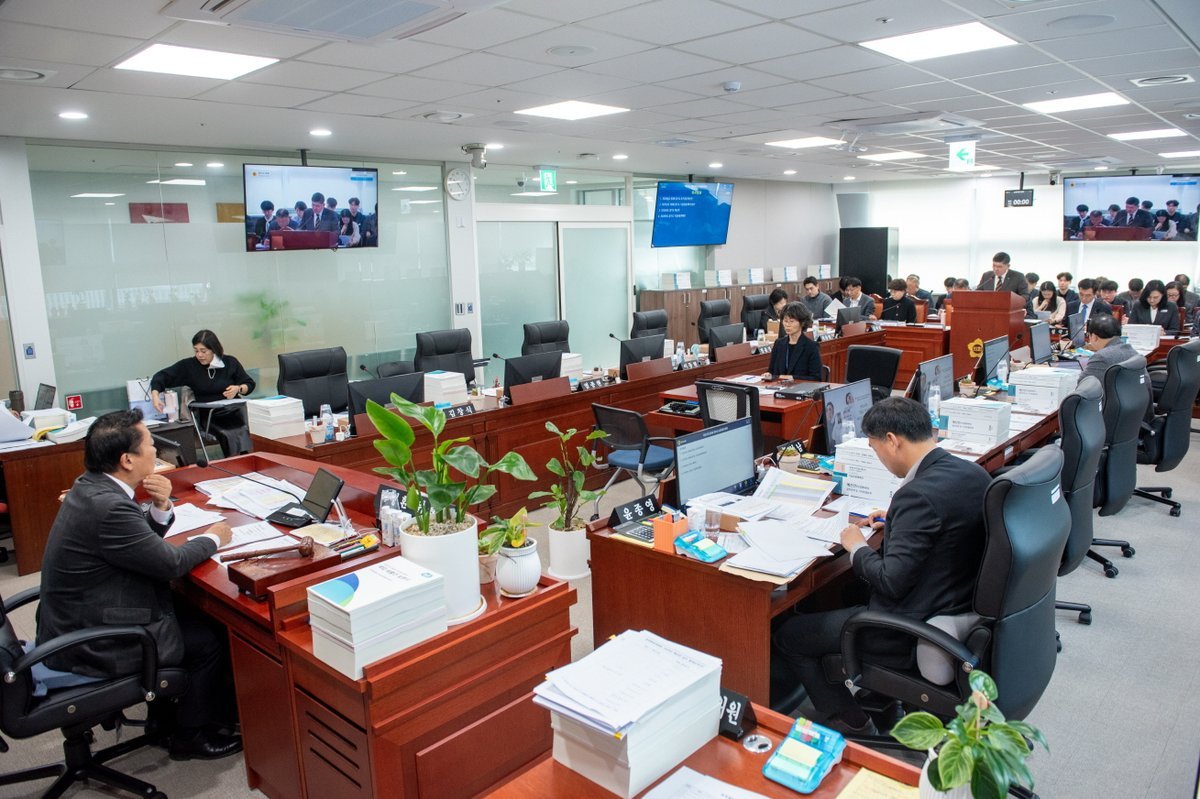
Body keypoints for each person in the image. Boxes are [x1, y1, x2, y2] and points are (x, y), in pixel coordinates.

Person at [773, 398, 990, 734]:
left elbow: (891, 582)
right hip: (957, 599)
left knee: (790, 635)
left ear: (892, 440)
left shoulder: (916, 496)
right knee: (842, 592)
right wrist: (898, 522)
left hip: (908, 627)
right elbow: (947, 527)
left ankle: (854, 725)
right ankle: (874, 697)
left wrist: (856, 546)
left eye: (875, 449)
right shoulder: (971, 473)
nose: (880, 459)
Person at [37, 409, 242, 760]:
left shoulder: (91, 486)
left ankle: (162, 719)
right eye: (149, 444)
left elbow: (132, 545)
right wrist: (214, 537)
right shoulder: (109, 507)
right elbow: (170, 563)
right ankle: (189, 735)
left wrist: (161, 507)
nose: (156, 451)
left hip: (74, 618)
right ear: (127, 460)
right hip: (93, 640)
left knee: (187, 612)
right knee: (209, 639)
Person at [150, 330, 255, 457]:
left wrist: (238, 388)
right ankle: (238, 462)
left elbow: (249, 384)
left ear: (214, 349)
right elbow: (161, 376)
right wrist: (155, 396)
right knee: (228, 432)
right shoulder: (189, 366)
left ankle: (248, 461)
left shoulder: (230, 362)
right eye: (196, 351)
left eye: (203, 351)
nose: (199, 355)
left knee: (246, 429)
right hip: (210, 416)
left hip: (234, 412)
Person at [762, 302, 822, 381]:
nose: (787, 325)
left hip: (800, 387)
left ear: (802, 323)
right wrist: (768, 374)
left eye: (791, 321)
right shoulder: (779, 344)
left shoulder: (811, 347)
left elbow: (816, 378)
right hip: (779, 387)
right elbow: (771, 371)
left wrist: (793, 378)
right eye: (785, 321)